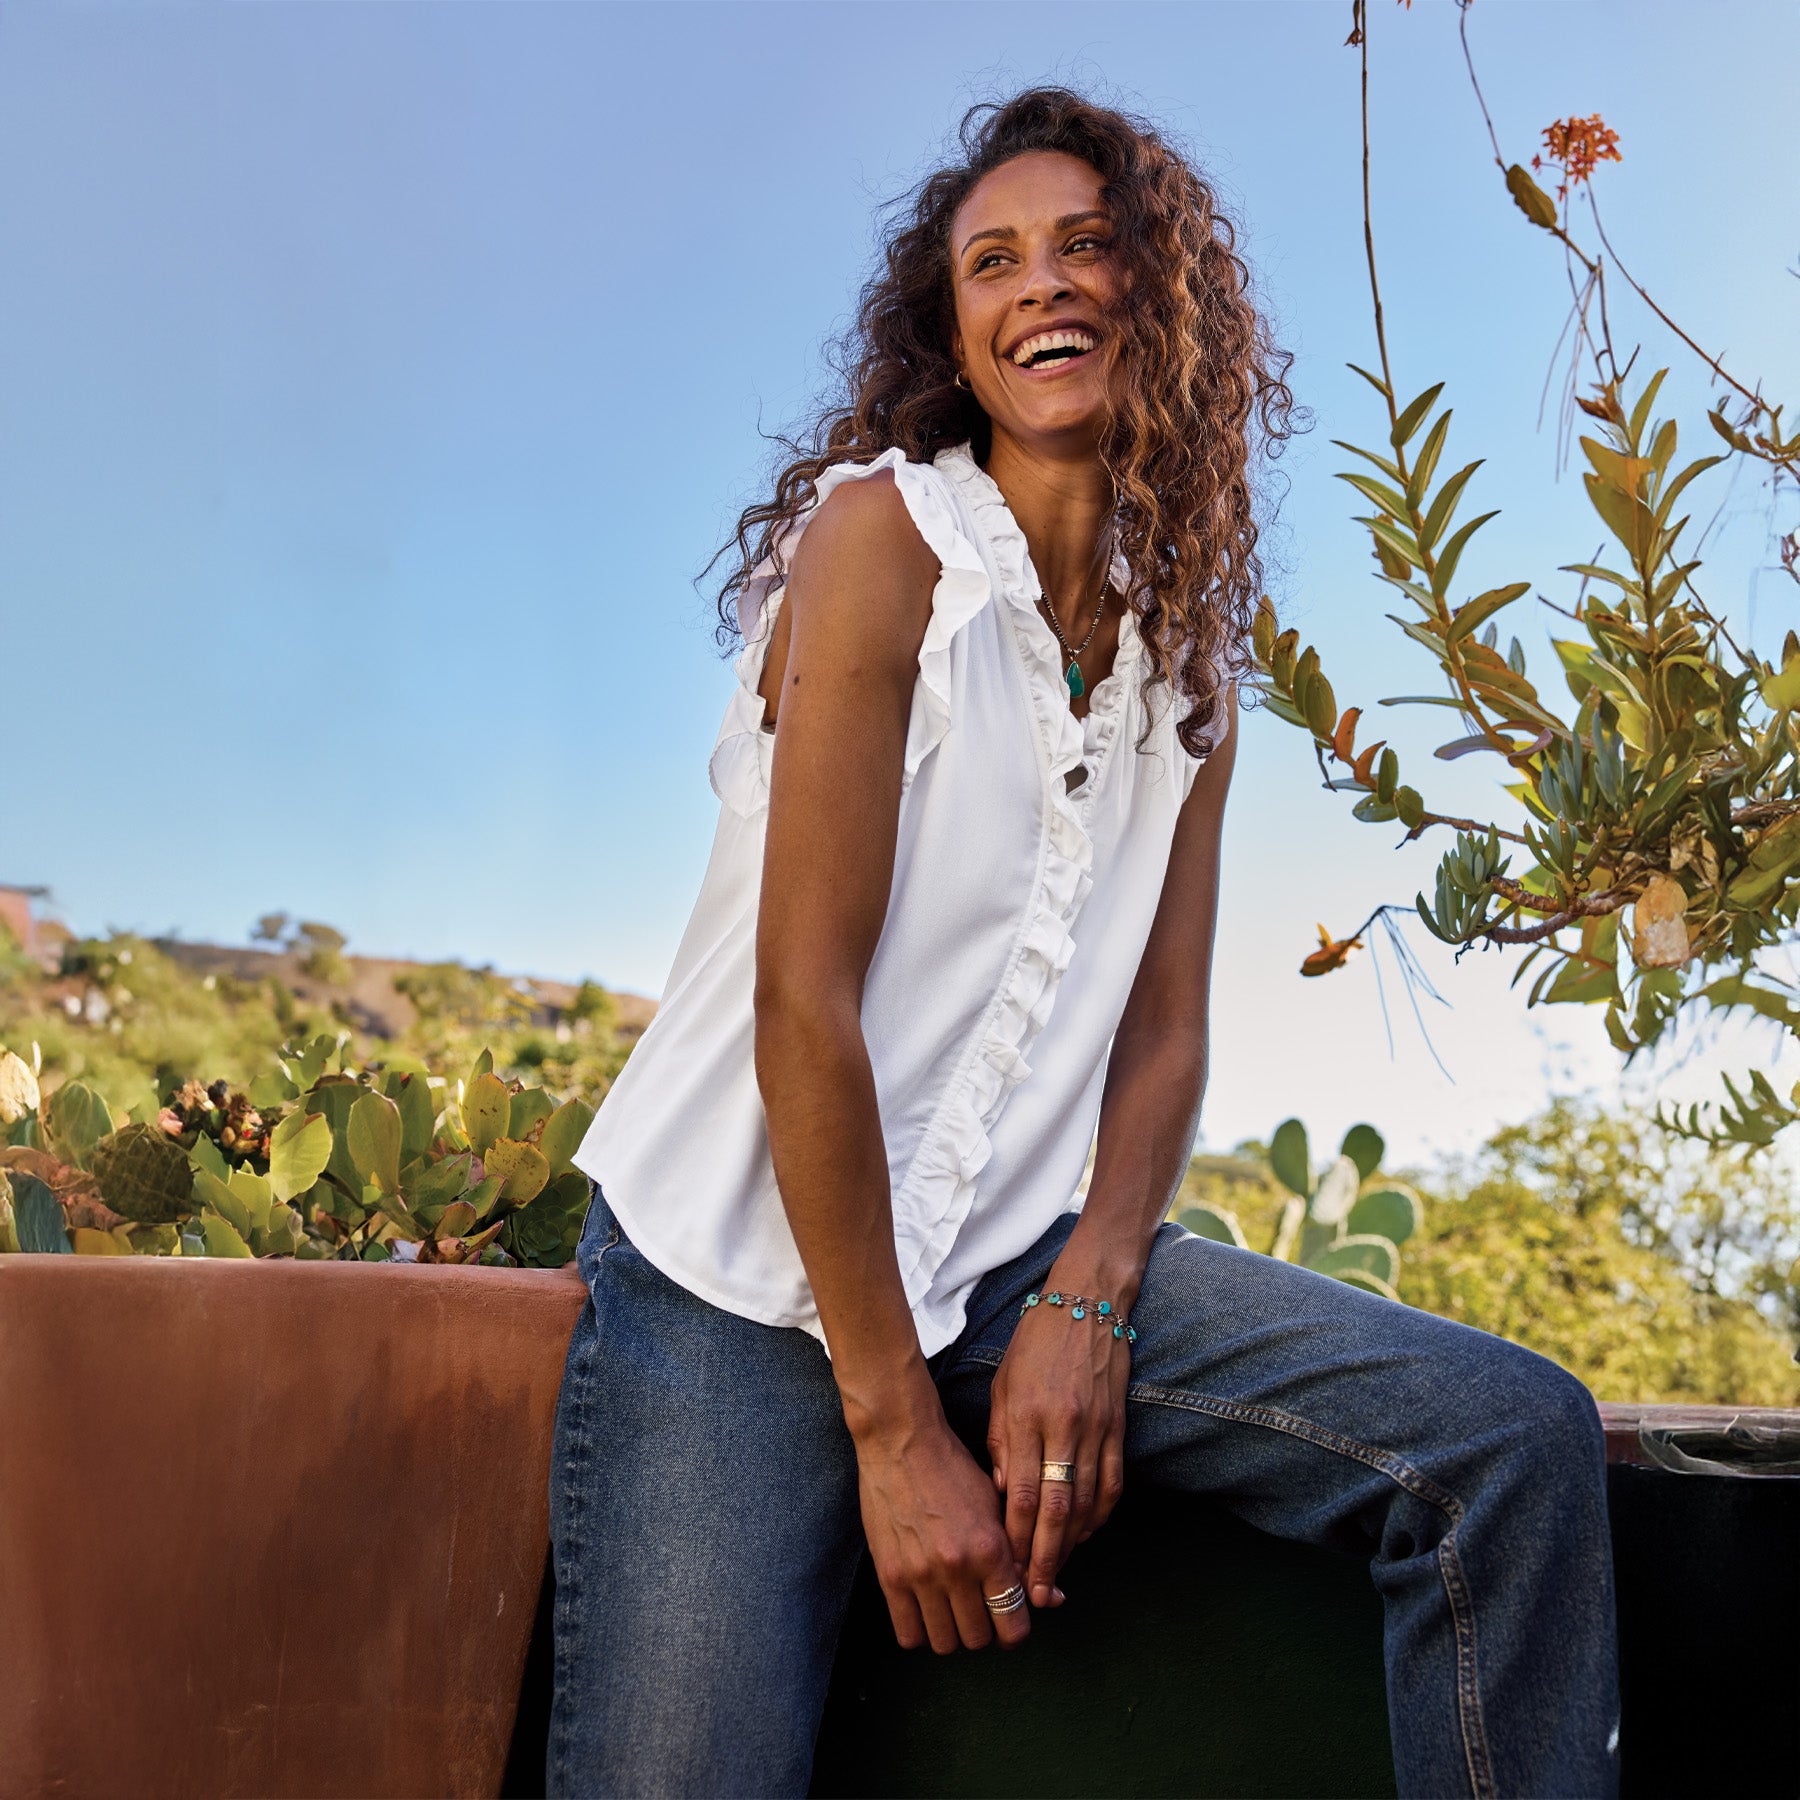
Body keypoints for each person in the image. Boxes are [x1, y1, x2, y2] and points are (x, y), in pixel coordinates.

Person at [548, 87, 1619, 1800]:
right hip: (740, 1281)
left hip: (1002, 1264)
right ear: (953, 334)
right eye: (993, 262)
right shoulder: (883, 544)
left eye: (1085, 245)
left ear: (1159, 296)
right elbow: (801, 1002)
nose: (1040, 283)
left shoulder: (1189, 654)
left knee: (1509, 1440)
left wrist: (1091, 1295)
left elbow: (1164, 1030)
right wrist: (896, 1432)